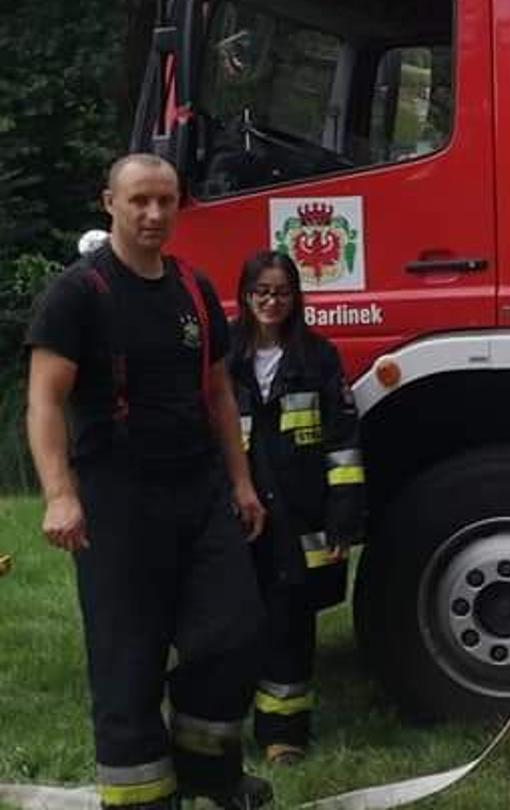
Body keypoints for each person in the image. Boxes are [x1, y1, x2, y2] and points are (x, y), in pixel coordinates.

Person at [27, 153, 271, 809]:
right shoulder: (78, 294)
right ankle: (142, 795)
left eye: (166, 200)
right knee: (127, 657)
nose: (154, 213)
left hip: (199, 489)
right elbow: (45, 400)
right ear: (110, 202)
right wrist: (59, 494)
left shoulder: (193, 288)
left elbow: (220, 394)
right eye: (139, 200)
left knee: (234, 632)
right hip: (117, 496)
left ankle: (210, 774)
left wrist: (241, 483)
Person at [226, 250, 365, 766]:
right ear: (245, 295)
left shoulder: (318, 358)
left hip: (299, 515)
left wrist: (343, 512)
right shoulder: (225, 361)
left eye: (281, 292)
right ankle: (219, 729)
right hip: (235, 515)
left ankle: (283, 734)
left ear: (296, 298)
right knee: (231, 623)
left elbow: (343, 442)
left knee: (290, 621)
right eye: (261, 292)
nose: (271, 302)